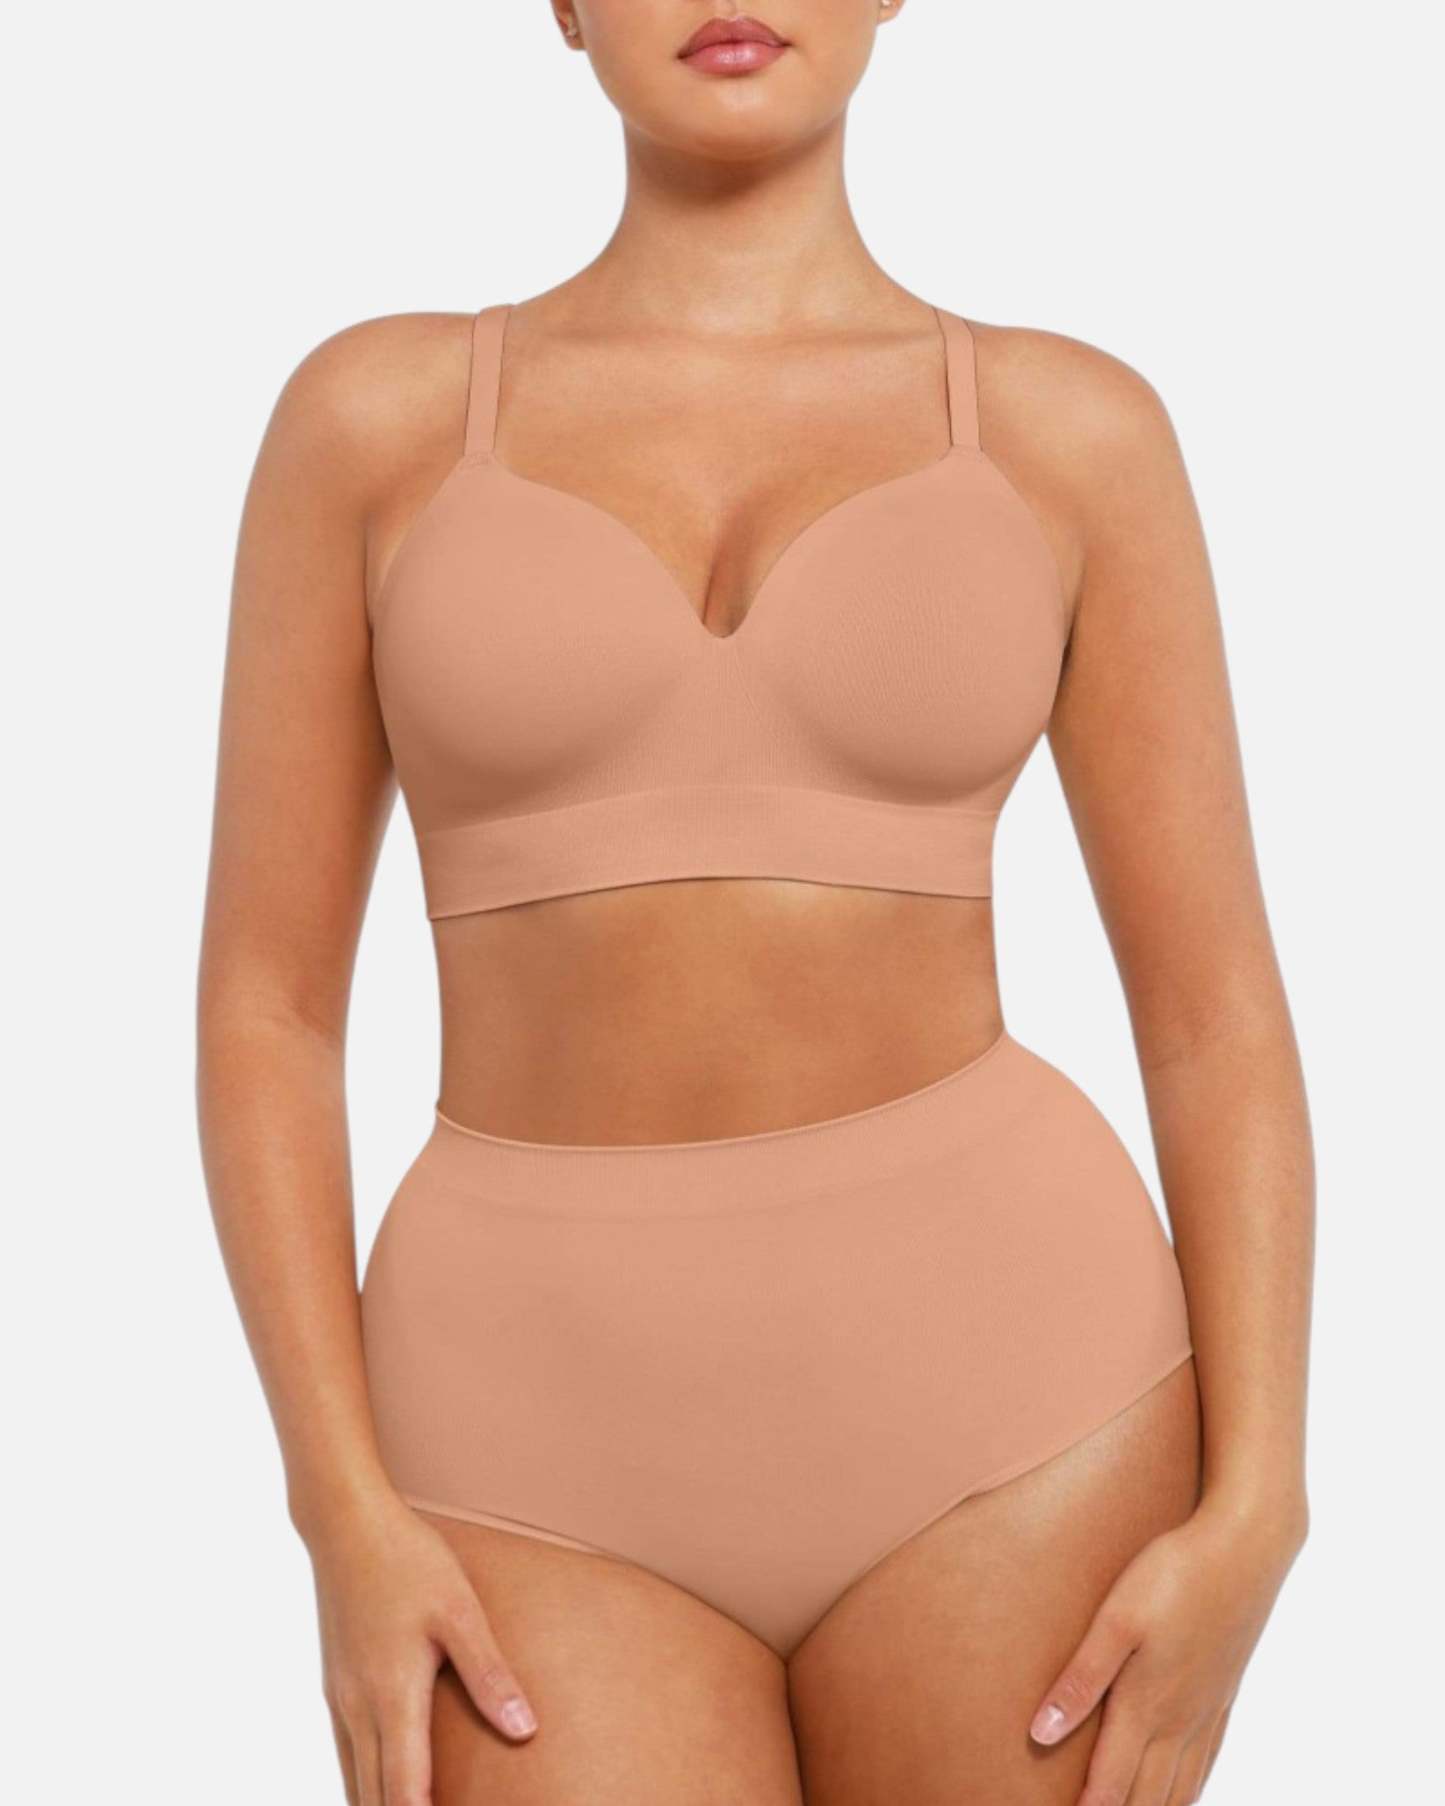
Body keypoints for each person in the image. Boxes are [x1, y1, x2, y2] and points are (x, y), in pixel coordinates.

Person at [196, 5, 1314, 1802]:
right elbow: (268, 1008)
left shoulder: (1071, 432)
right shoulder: (373, 421)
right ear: (563, 4)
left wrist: (1261, 1496)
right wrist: (335, 1504)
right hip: (514, 1438)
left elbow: (1211, 1015)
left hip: (1017, 1399)